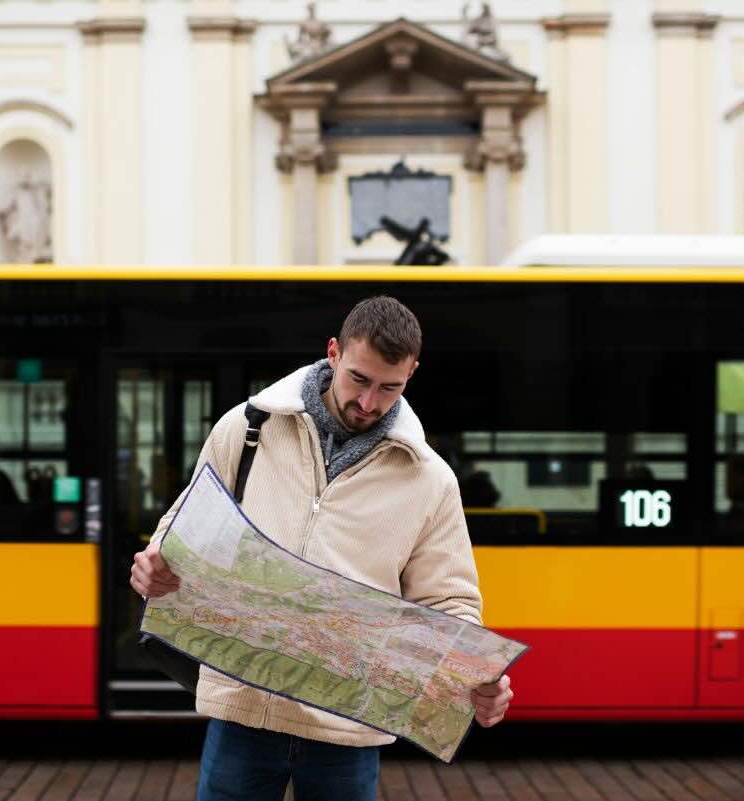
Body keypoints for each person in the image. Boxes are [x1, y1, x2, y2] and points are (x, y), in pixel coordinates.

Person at [130, 296, 513, 801]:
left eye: (389, 387)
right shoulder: (247, 428)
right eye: (359, 378)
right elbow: (181, 528)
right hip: (243, 708)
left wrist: (477, 673)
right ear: (333, 353)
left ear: (412, 373)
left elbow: (449, 603)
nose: (370, 402)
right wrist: (156, 565)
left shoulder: (431, 479)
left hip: (348, 728)